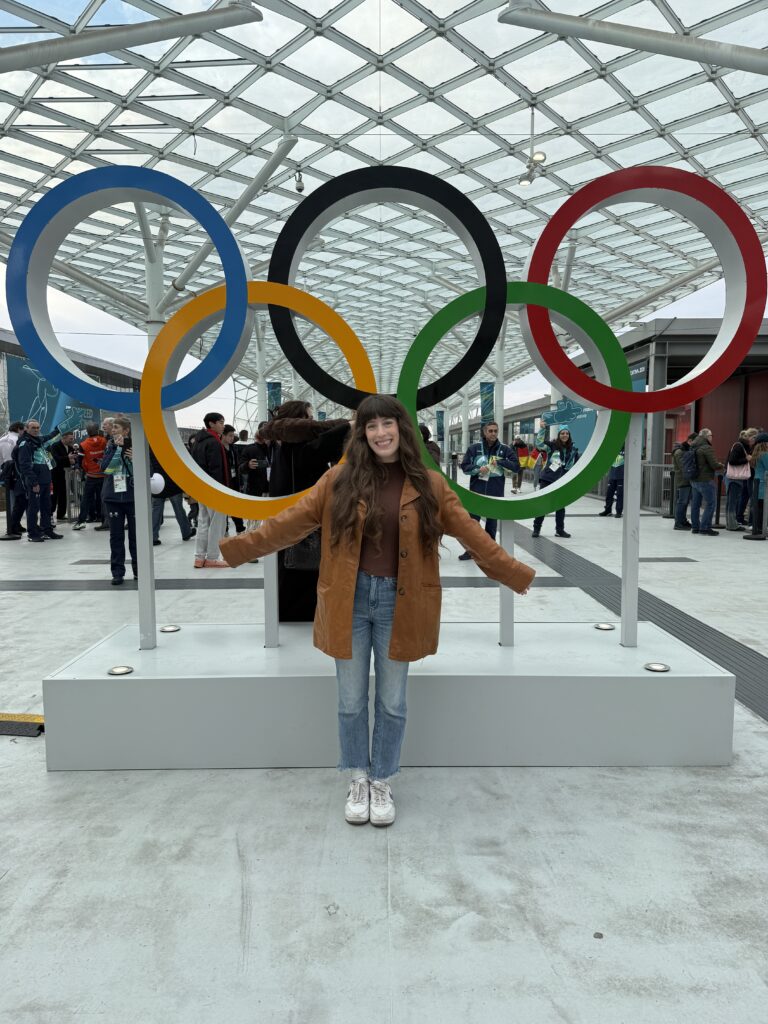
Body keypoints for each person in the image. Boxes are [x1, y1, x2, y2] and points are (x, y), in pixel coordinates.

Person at [218, 395, 536, 827]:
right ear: (361, 434)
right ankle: (357, 776)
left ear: (401, 430)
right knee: (350, 700)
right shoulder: (339, 480)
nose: (380, 433)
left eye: (388, 424)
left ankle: (382, 778)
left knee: (392, 700)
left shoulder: (429, 483)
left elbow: (471, 535)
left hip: (399, 602)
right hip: (348, 598)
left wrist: (513, 573)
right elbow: (289, 522)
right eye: (371, 426)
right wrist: (237, 551)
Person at [260, 400, 351, 621]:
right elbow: (328, 442)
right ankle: (303, 613)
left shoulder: (280, 444)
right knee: (305, 569)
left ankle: (289, 612)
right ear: (299, 419)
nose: (313, 423)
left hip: (287, 517)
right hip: (305, 519)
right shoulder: (301, 447)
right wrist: (351, 423)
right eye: (309, 418)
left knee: (291, 569)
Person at [458, 421, 519, 559]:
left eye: (495, 431)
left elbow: (516, 466)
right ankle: (470, 551)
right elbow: (465, 466)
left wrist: (500, 462)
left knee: (491, 524)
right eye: (490, 431)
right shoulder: (474, 448)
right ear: (485, 432)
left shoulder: (504, 449)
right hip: (476, 491)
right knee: (473, 524)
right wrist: (477, 469)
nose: (493, 433)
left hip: (495, 492)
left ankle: (489, 552)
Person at [190, 412, 230, 568]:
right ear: (211, 424)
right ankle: (212, 557)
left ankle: (199, 557)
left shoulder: (198, 441)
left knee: (203, 522)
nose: (223, 425)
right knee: (217, 523)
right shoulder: (213, 442)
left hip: (202, 487)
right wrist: (221, 490)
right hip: (214, 489)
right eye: (220, 422)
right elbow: (216, 469)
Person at [100, 416, 137, 585]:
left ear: (126, 430)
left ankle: (139, 570)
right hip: (113, 498)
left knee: (136, 537)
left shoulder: (137, 447)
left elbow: (147, 471)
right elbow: (106, 469)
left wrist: (135, 460)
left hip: (133, 497)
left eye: (116, 427)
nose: (112, 430)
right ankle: (117, 572)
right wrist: (116, 449)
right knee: (116, 536)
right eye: (112, 427)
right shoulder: (110, 446)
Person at [16, 419, 66, 543]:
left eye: (38, 427)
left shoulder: (39, 440)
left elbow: (50, 436)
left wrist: (59, 428)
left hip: (46, 479)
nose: (36, 430)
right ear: (26, 429)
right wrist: (34, 482)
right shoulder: (25, 444)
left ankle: (47, 530)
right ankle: (32, 533)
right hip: (36, 482)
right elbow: (25, 465)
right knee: (34, 508)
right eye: (33, 428)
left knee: (46, 507)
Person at [531, 424, 579, 539]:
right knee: (542, 505)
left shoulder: (573, 450)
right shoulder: (551, 446)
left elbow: (577, 466)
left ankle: (560, 530)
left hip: (563, 481)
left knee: (560, 507)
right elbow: (538, 444)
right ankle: (536, 529)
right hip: (548, 479)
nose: (565, 435)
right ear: (559, 435)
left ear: (569, 435)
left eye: (567, 433)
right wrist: (542, 429)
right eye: (562, 433)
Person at [149, 450, 196, 546]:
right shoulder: (167, 444)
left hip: (157, 483)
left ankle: (153, 537)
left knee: (156, 511)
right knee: (179, 509)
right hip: (172, 482)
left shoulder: (151, 446)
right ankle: (186, 532)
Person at [72, 422, 107, 530]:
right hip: (103, 475)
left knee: (86, 499)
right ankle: (104, 520)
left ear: (87, 432)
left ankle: (81, 521)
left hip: (91, 476)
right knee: (103, 499)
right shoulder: (104, 441)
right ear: (97, 430)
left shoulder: (83, 444)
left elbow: (80, 460)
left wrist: (84, 470)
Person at [690, 427, 723, 536]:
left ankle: (695, 527)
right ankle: (704, 528)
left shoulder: (693, 446)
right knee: (711, 503)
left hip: (694, 479)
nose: (711, 438)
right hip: (705, 479)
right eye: (711, 436)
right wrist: (721, 465)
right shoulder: (706, 447)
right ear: (706, 437)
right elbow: (713, 464)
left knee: (695, 504)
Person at [0, 421, 25, 537]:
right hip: (17, 470)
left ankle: (14, 524)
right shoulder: (18, 441)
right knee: (19, 499)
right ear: (19, 429)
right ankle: (14, 525)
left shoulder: (1, 440)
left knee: (12, 499)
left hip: (5, 470)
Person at [724, 432, 752, 532]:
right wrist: (746, 459)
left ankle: (731, 523)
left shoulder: (742, 446)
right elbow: (732, 461)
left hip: (734, 478)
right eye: (752, 437)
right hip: (734, 479)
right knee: (732, 502)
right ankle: (732, 525)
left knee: (731, 502)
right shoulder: (739, 446)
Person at [221, 424, 245, 535]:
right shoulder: (218, 448)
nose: (232, 438)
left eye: (233, 436)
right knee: (224, 506)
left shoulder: (233, 448)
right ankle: (224, 527)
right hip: (224, 481)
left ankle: (240, 527)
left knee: (236, 505)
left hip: (234, 480)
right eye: (230, 436)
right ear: (223, 435)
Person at [744, 432, 768, 540]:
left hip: (757, 483)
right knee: (763, 508)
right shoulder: (765, 455)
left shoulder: (756, 454)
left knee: (758, 507)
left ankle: (757, 528)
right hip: (764, 484)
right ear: (765, 443)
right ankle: (761, 529)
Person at [672, 433, 697, 530]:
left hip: (686, 479)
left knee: (684, 502)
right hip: (683, 480)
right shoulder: (679, 452)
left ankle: (682, 520)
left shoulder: (685, 450)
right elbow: (684, 467)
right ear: (690, 441)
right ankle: (678, 523)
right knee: (682, 502)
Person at [49, 430, 75, 523]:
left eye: (72, 438)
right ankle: (50, 514)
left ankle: (61, 514)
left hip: (66, 475)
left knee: (64, 495)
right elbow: (56, 458)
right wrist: (68, 458)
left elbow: (73, 459)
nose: (72, 440)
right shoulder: (55, 446)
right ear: (64, 438)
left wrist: (73, 461)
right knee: (54, 495)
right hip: (56, 474)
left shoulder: (71, 447)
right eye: (70, 438)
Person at [598, 451, 624, 518]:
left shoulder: (626, 449)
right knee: (609, 494)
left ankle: (619, 512)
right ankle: (607, 510)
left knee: (619, 495)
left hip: (621, 476)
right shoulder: (614, 449)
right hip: (612, 476)